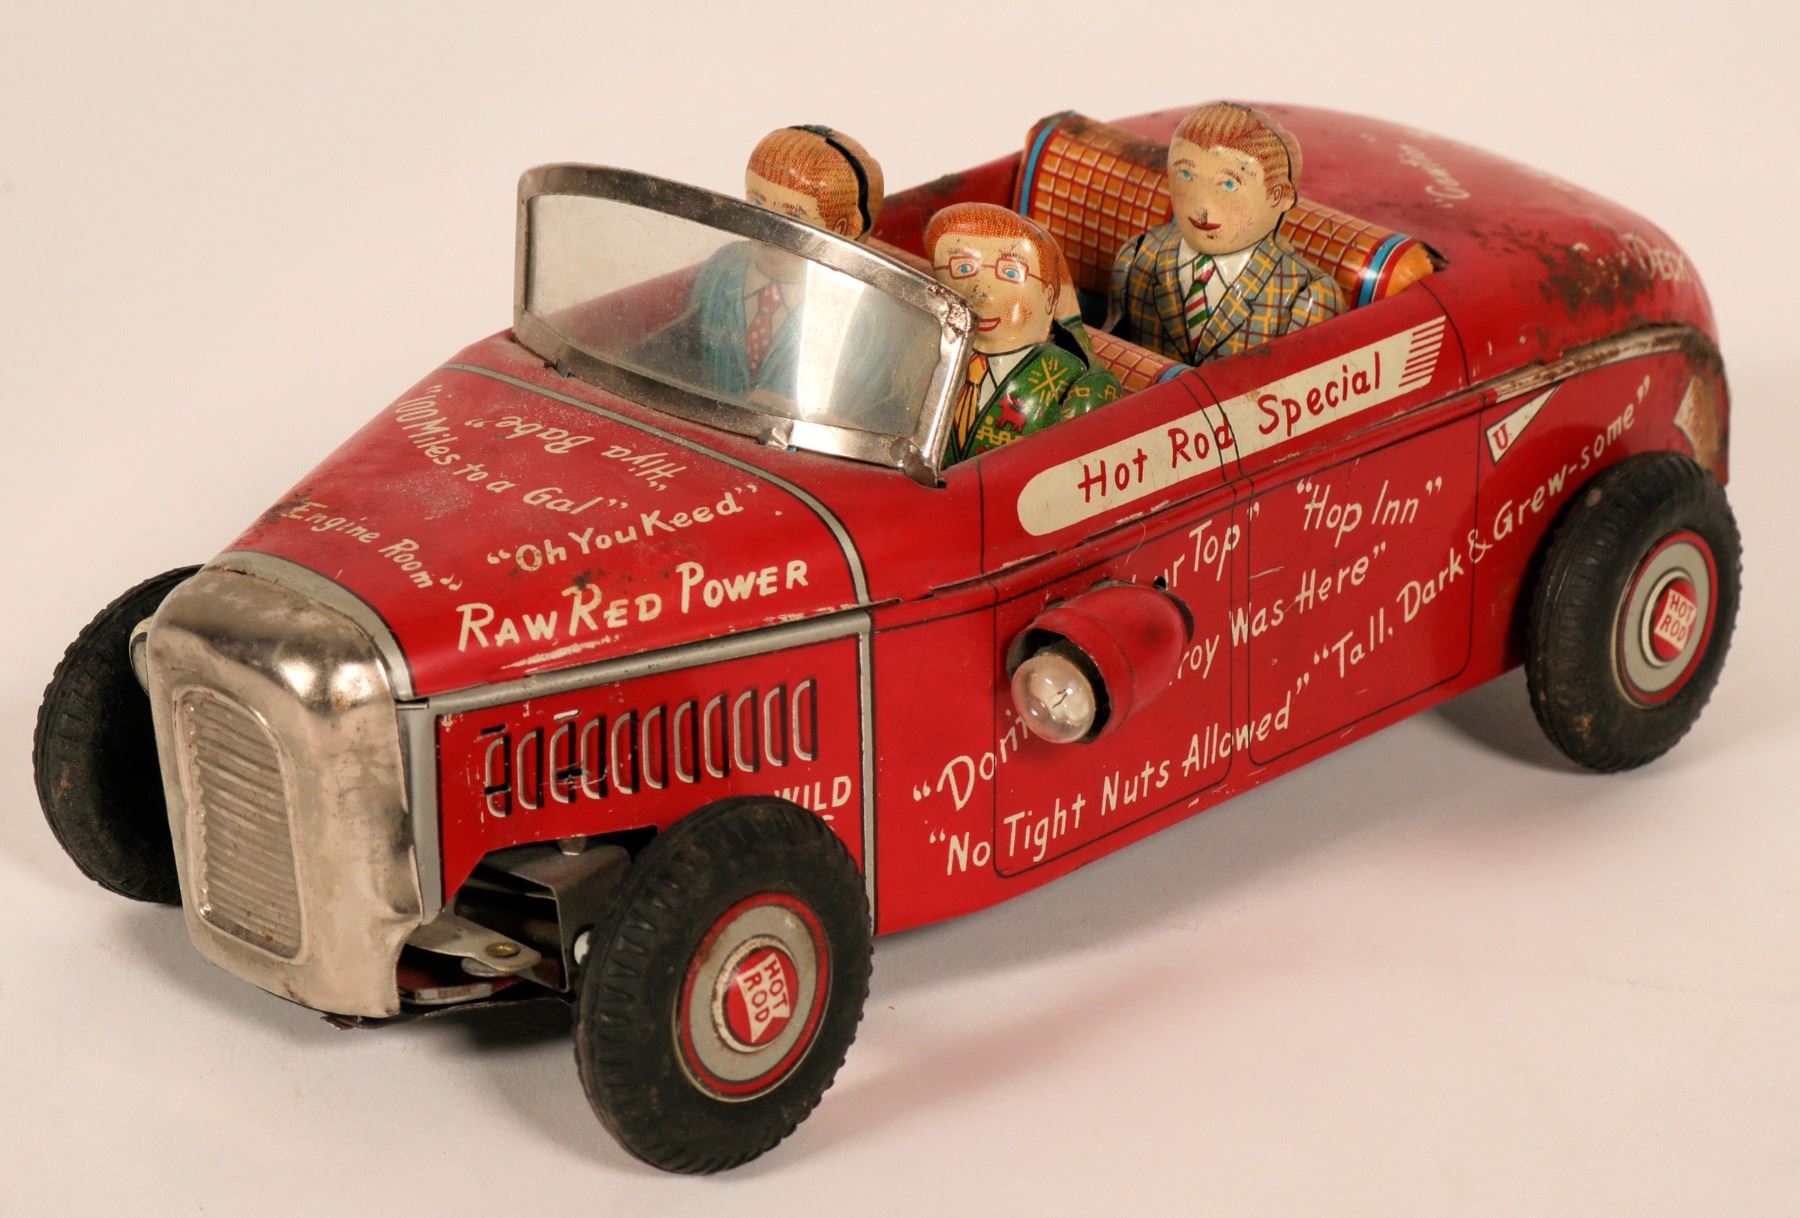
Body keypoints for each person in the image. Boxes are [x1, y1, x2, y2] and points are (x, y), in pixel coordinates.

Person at [1108, 102, 1343, 364]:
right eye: (1185, 174)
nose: (1201, 206)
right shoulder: (1138, 258)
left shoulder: (1302, 296)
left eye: (1229, 184)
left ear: (1278, 196)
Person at [688, 125, 885, 400]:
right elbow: (688, 350)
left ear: (840, 231)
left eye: (794, 220)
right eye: (758, 206)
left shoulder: (860, 317)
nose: (769, 235)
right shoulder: (722, 268)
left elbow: (860, 407)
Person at [927, 203, 1121, 467]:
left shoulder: (1071, 383)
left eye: (1010, 273)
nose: (981, 294)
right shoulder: (926, 358)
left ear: (1049, 299)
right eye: (962, 269)